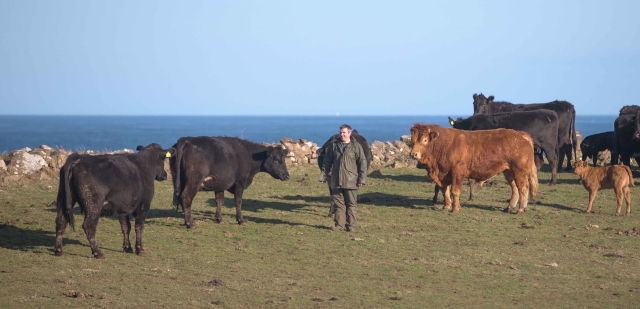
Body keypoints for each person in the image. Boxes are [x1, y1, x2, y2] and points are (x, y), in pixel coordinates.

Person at [319, 124, 367, 232]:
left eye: (344, 133)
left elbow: (362, 162)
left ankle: (350, 226)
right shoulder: (334, 146)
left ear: (349, 133)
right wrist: (323, 176)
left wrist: (362, 179)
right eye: (340, 132)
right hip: (336, 180)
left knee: (351, 204)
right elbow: (327, 162)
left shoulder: (356, 146)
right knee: (338, 204)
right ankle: (339, 225)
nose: (342, 135)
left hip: (351, 181)